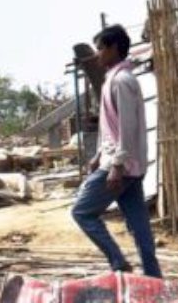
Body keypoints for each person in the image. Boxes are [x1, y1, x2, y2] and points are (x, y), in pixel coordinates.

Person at [72, 25, 161, 277]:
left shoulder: (121, 81)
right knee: (139, 227)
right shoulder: (115, 78)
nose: (97, 54)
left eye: (101, 48)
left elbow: (127, 127)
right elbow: (110, 125)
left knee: (81, 212)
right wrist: (98, 153)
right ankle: (154, 277)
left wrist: (116, 165)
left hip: (121, 166)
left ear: (113, 48)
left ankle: (119, 262)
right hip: (130, 166)